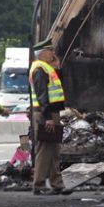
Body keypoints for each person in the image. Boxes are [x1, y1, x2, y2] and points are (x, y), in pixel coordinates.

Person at [30, 46, 67, 195]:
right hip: (46, 113)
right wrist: (48, 118)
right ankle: (38, 184)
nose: (53, 53)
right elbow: (42, 95)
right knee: (45, 149)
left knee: (54, 149)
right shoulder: (40, 69)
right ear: (41, 53)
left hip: (52, 112)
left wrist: (57, 67)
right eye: (50, 50)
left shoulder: (46, 68)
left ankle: (57, 184)